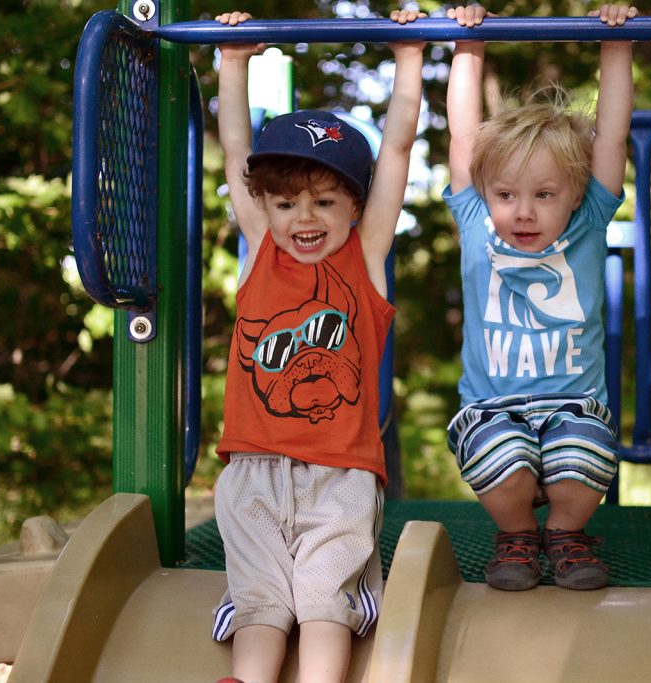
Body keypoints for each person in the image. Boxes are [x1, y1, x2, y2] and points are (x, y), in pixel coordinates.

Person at [209, 9, 424, 682]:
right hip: (252, 472)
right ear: (264, 206)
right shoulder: (259, 252)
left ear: (355, 206)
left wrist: (411, 56)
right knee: (261, 602)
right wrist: (234, 62)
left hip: (341, 475)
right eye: (286, 203)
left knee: (325, 598)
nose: (304, 217)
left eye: (325, 201)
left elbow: (394, 151)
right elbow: (235, 148)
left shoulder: (364, 258)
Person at [443, 3, 638, 592]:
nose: (522, 211)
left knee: (580, 465)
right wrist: (468, 44)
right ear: (485, 191)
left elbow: (614, 130)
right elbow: (461, 132)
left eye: (544, 194)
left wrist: (617, 42)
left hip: (574, 404)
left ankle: (567, 534)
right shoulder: (476, 220)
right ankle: (518, 536)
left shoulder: (589, 220)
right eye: (506, 193)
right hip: (491, 408)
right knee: (502, 465)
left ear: (575, 193)